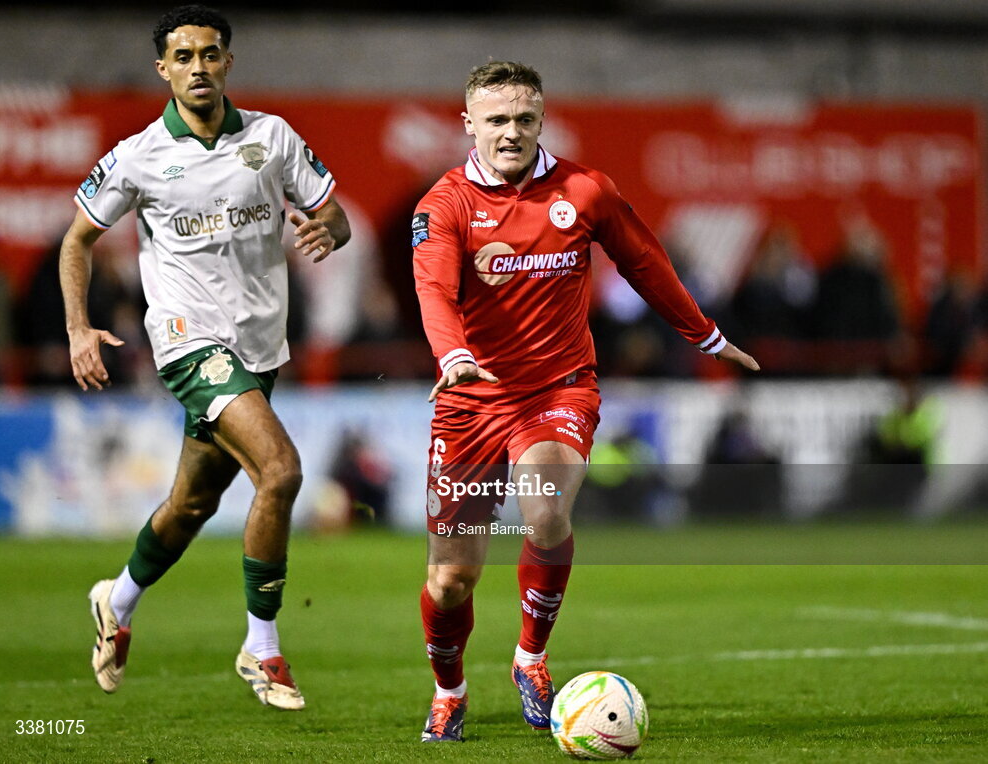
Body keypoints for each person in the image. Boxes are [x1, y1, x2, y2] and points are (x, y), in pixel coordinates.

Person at [411, 61, 758, 742]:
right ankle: (448, 690)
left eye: (523, 119)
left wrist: (707, 336)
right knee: (451, 578)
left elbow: (645, 261)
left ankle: (530, 659)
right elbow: (432, 289)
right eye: (496, 120)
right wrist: (452, 354)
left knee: (543, 508)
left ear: (541, 119)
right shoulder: (443, 204)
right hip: (470, 400)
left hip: (557, 387)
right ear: (468, 124)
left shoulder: (583, 190)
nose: (510, 133)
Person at [59, 4, 350, 710]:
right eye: (182, 56)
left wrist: (326, 233)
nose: (198, 67)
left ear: (227, 62)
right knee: (279, 472)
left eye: (209, 54)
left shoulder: (272, 138)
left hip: (258, 346)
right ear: (163, 69)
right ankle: (262, 647)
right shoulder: (136, 156)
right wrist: (78, 328)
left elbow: (332, 211)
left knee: (193, 502)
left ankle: (117, 600)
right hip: (190, 342)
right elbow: (77, 241)